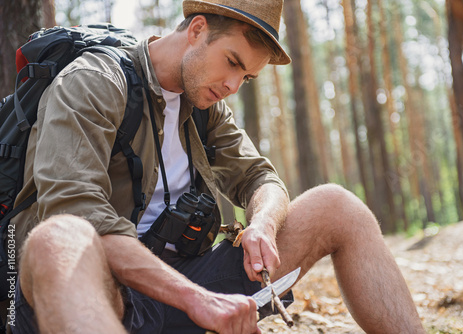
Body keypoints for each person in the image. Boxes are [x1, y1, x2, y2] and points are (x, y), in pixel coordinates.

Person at [10, 0, 425, 333]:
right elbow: (78, 212)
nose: (232, 85)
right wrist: (195, 299)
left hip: (183, 290)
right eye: (232, 61)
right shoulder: (95, 81)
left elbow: (261, 177)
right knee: (58, 237)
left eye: (246, 78)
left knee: (337, 205)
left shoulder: (206, 105)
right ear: (196, 30)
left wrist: (261, 223)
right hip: (98, 294)